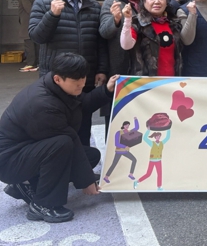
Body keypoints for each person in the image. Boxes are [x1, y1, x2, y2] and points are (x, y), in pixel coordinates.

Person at [0, 53, 118, 223]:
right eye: (76, 82)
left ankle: (25, 183)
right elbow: (69, 140)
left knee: (91, 156)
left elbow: (82, 104)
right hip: (9, 162)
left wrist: (106, 90)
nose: (82, 84)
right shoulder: (43, 104)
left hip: (27, 151)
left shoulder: (57, 87)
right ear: (58, 79)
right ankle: (43, 205)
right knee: (61, 144)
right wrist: (86, 181)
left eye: (83, 79)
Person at [28, 0, 108, 146]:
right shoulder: (44, 3)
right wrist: (52, 15)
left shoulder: (94, 7)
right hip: (55, 79)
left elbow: (100, 43)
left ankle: (82, 159)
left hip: (84, 79)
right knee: (54, 125)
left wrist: (102, 69)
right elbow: (37, 37)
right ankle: (58, 160)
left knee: (83, 124)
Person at [98, 0, 145, 135]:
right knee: (117, 123)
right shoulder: (112, 3)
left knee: (141, 121)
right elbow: (104, 32)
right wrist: (116, 19)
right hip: (120, 71)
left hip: (143, 71)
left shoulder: (147, 3)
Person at [120, 0, 193, 76]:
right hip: (146, 81)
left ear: (166, 2)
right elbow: (126, 45)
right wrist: (127, 19)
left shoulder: (174, 22)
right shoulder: (137, 22)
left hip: (173, 80)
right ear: (144, 1)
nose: (157, 1)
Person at [12, 0, 41, 72]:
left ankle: (31, 64)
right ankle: (39, 63)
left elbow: (29, 9)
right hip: (39, 22)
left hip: (28, 22)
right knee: (37, 44)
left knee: (29, 44)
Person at [103, 118, 139, 184]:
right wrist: (124, 146)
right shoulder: (118, 132)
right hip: (119, 151)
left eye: (128, 125)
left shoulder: (129, 132)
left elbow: (136, 128)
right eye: (126, 125)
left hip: (126, 151)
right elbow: (116, 143)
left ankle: (131, 174)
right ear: (123, 125)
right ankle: (106, 177)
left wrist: (135, 120)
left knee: (134, 160)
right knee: (114, 164)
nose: (127, 126)